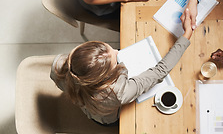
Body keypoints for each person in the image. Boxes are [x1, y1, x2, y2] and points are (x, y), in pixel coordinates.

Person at [50, 9, 193, 125]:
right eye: (114, 59)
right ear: (104, 77)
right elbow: (160, 71)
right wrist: (186, 35)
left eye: (112, 49)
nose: (118, 51)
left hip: (86, 102)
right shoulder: (118, 92)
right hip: (105, 118)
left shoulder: (59, 64)